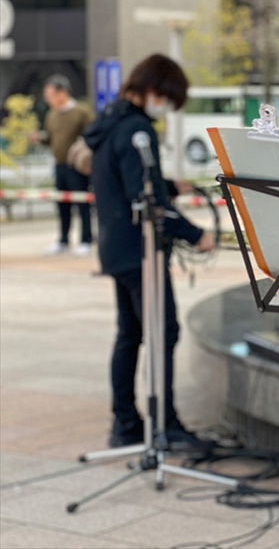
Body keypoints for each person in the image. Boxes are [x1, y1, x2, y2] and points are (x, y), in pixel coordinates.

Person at [82, 54, 216, 449]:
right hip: (141, 252)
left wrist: (172, 185)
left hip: (116, 247)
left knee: (130, 334)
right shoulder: (137, 130)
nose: (167, 109)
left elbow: (134, 185)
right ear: (155, 90)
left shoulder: (110, 125)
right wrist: (195, 234)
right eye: (169, 99)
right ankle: (165, 425)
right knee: (162, 332)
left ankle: (125, 424)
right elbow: (149, 202)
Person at [31, 74, 94, 255]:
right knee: (62, 205)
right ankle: (63, 240)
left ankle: (85, 240)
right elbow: (51, 139)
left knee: (82, 204)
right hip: (59, 165)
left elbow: (91, 137)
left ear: (62, 92)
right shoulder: (52, 115)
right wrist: (39, 139)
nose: (48, 99)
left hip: (77, 166)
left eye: (50, 94)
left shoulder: (81, 112)